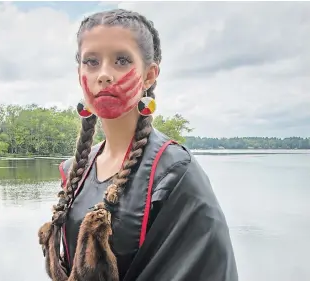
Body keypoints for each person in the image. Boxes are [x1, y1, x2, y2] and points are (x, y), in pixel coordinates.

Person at [38, 8, 239, 281]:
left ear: (150, 75)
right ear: (79, 75)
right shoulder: (77, 170)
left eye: (121, 60)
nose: (104, 74)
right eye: (92, 62)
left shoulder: (175, 172)